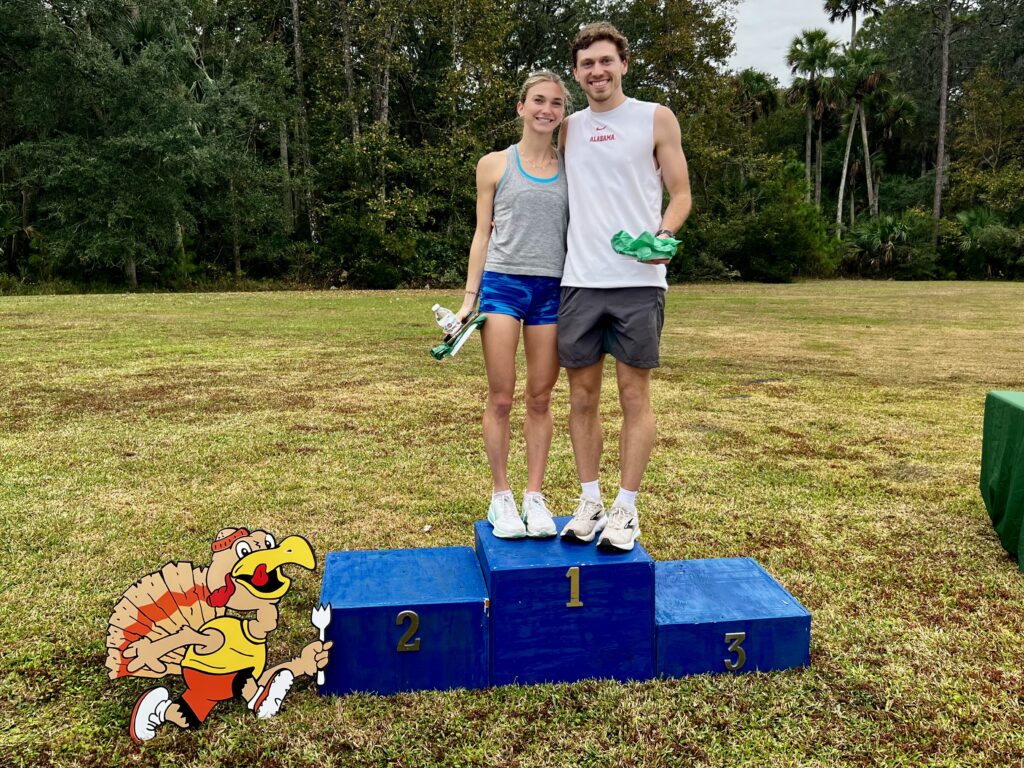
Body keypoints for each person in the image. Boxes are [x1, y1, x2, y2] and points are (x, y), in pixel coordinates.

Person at [556, 22, 692, 553]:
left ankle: (625, 509)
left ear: (623, 65)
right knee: (582, 398)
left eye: (606, 61)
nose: (597, 71)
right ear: (577, 73)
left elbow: (680, 195)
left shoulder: (655, 118)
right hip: (580, 283)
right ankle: (589, 502)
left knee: (635, 396)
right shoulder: (567, 128)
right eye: (587, 64)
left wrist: (662, 235)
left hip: (639, 283)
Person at [456, 71, 571, 539]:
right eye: (538, 100)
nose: (547, 109)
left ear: (564, 113)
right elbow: (482, 233)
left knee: (540, 398)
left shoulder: (573, 165)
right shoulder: (493, 165)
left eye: (557, 104)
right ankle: (501, 497)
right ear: (521, 107)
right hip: (503, 286)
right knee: (501, 396)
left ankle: (535, 497)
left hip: (553, 290)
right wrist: (469, 299)